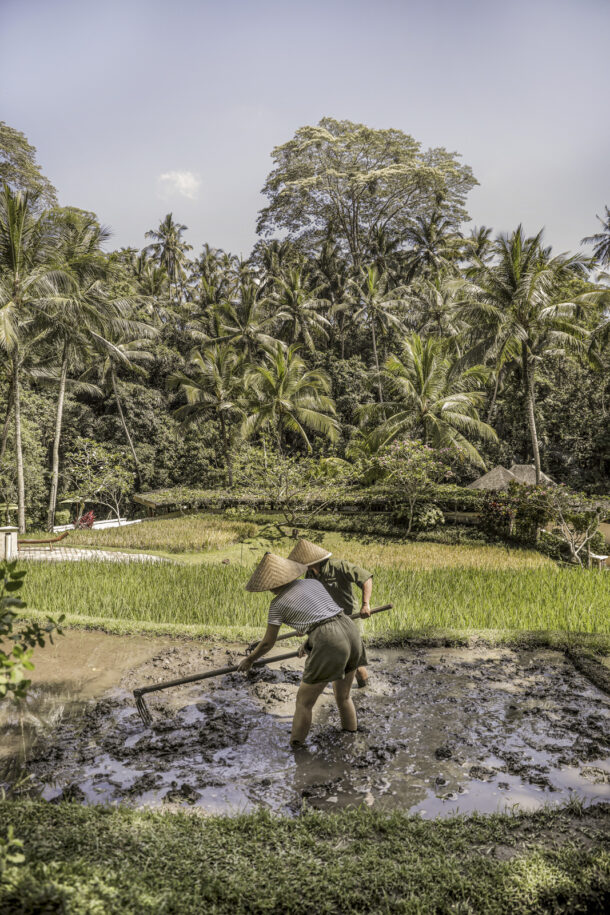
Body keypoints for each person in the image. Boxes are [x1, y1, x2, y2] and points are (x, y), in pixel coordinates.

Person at [237, 551, 365, 746]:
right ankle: (351, 739)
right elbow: (323, 616)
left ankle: (296, 748)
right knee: (344, 696)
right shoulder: (312, 583)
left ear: (269, 586)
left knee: (304, 702)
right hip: (349, 628)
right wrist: (309, 642)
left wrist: (250, 660)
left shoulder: (277, 605)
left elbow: (267, 643)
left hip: (329, 638)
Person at [287, 539, 373, 688]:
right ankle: (347, 688)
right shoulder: (310, 575)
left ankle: (365, 688)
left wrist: (366, 604)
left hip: (348, 617)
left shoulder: (339, 566)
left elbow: (366, 578)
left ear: (312, 560)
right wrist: (305, 626)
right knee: (340, 655)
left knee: (354, 661)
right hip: (329, 620)